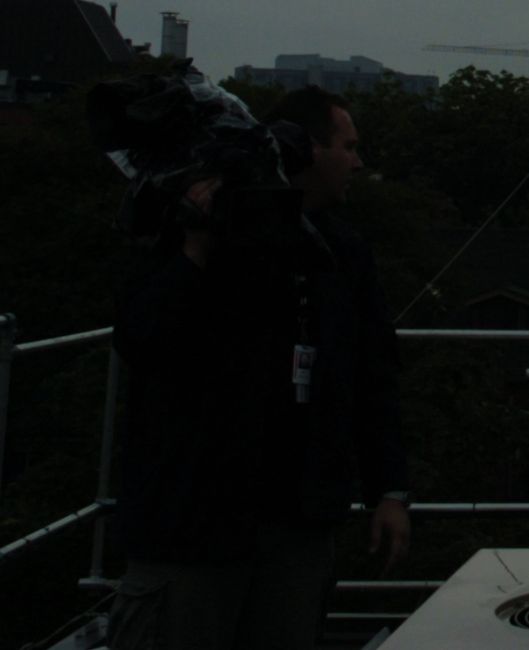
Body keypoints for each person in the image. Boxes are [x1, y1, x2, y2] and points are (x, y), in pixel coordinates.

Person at [109, 88, 408, 650]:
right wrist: (196, 249)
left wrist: (388, 489)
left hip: (295, 524)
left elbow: (372, 375)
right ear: (309, 149)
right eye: (348, 147)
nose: (357, 163)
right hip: (192, 528)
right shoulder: (190, 237)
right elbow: (141, 338)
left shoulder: (340, 253)